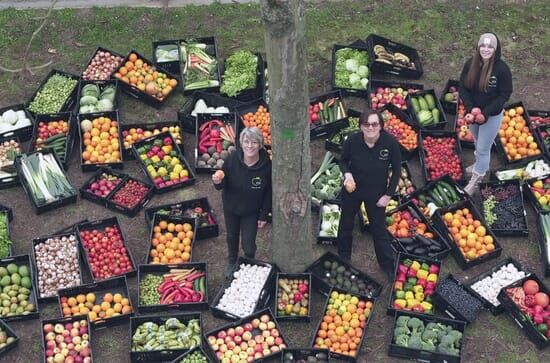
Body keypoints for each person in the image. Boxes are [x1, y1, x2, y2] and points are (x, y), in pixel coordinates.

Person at [337, 109, 401, 280]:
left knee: (379, 230)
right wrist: (347, 174)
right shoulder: (352, 141)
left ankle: (388, 266)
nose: (370, 127)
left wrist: (388, 195)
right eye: (366, 124)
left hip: (377, 194)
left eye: (374, 124)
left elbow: (396, 171)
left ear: (380, 126)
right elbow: (342, 161)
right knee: (346, 223)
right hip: (353, 191)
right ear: (361, 126)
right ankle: (343, 257)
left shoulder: (390, 143)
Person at [212, 127, 272, 278]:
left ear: (260, 144)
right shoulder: (232, 159)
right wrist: (217, 181)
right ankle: (232, 260)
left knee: (248, 244)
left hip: (251, 211)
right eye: (246, 141)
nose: (250, 146)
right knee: (232, 236)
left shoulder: (267, 166)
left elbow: (269, 192)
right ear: (241, 143)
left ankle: (248, 263)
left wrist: (264, 215)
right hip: (231, 207)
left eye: (254, 142)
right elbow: (222, 183)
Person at [459, 32, 513, 195]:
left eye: (490, 46)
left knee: (483, 148)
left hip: (491, 116)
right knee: (476, 139)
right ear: (478, 47)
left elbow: (505, 94)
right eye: (483, 45)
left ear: (496, 50)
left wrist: (486, 113)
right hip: (474, 114)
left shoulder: (502, 69)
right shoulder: (471, 64)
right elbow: (463, 87)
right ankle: (480, 165)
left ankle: (477, 179)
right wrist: (470, 108)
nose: (486, 49)